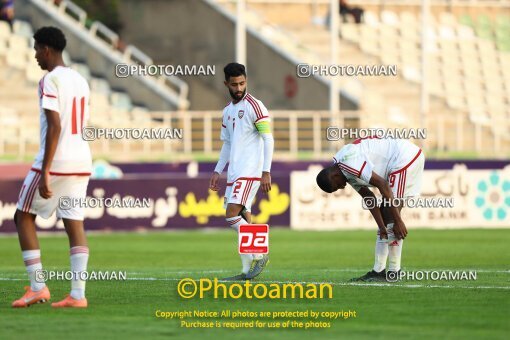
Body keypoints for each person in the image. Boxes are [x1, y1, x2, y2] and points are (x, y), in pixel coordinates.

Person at [12, 26, 92, 307]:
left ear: (46, 49)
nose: (35, 55)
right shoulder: (81, 79)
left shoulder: (49, 80)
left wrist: (45, 170)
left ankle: (37, 287)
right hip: (82, 161)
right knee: (74, 221)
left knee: (22, 217)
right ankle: (78, 296)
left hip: (56, 161)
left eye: (36, 49)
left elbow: (56, 125)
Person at [316, 137, 424, 281]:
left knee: (391, 217)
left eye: (337, 186)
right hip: (394, 161)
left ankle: (394, 271)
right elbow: (370, 199)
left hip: (404, 157)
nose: (341, 187)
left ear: (334, 175)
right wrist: (381, 227)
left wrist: (399, 221)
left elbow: (383, 185)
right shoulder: (344, 171)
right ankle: (378, 271)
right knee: (386, 219)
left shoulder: (348, 164)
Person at [209, 62, 274, 281]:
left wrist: (266, 171)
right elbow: (227, 144)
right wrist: (218, 170)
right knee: (243, 216)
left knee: (231, 216)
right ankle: (246, 272)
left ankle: (260, 253)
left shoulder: (255, 106)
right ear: (226, 83)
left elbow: (268, 138)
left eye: (242, 83)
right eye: (234, 84)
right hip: (235, 173)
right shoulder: (227, 112)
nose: (239, 88)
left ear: (246, 80)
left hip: (251, 170)